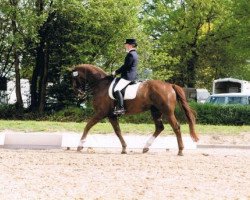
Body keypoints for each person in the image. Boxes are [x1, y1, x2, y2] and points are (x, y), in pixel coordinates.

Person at [112, 38, 138, 115]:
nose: (125, 46)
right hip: (132, 76)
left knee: (116, 89)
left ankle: (121, 108)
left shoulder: (130, 54)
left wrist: (116, 72)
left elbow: (125, 66)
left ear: (130, 45)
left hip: (128, 77)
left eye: (126, 45)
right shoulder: (135, 54)